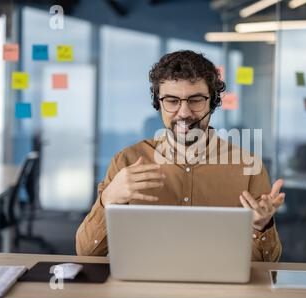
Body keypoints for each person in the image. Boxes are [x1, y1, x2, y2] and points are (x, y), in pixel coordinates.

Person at [76, 50, 285, 262]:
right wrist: (108, 199)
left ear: (212, 102)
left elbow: (267, 264)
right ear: (159, 104)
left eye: (195, 100)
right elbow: (87, 254)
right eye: (172, 100)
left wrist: (262, 226)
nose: (184, 112)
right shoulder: (126, 162)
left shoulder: (248, 167)